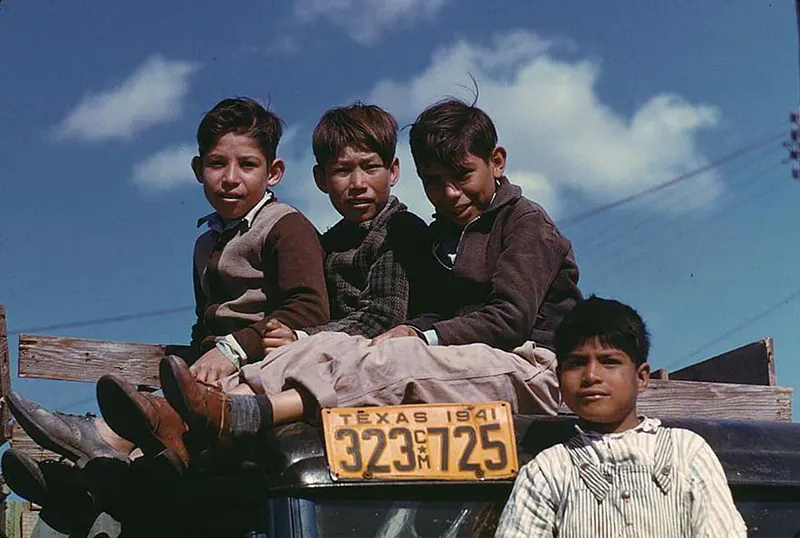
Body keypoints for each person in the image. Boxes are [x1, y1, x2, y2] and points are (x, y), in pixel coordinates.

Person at [125, 98, 581, 455]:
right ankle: (172, 423)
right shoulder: (445, 232)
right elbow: (435, 311)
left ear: (496, 161)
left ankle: (251, 413)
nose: (449, 192)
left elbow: (510, 319)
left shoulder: (525, 224)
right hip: (473, 361)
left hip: (534, 366)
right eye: (434, 182)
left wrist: (419, 334)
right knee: (334, 346)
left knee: (388, 358)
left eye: (462, 175)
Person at [7, 97, 330, 469]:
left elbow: (308, 308)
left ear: (273, 172)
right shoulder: (206, 242)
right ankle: (86, 480)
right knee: (155, 440)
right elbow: (204, 323)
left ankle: (102, 440)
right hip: (214, 372)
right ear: (197, 169)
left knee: (156, 428)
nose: (230, 177)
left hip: (264, 367)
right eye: (216, 164)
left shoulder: (285, 226)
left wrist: (233, 350)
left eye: (248, 165)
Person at [494, 296, 747, 538]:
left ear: (641, 377)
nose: (591, 375)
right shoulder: (547, 472)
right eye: (576, 363)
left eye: (609, 361)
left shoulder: (687, 452)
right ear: (559, 377)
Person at [257, 102, 429, 352]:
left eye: (370, 167)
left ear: (392, 171)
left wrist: (302, 339)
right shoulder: (330, 242)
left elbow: (381, 318)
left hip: (390, 354)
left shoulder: (399, 230)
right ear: (321, 179)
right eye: (342, 170)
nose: (358, 183)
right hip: (338, 352)